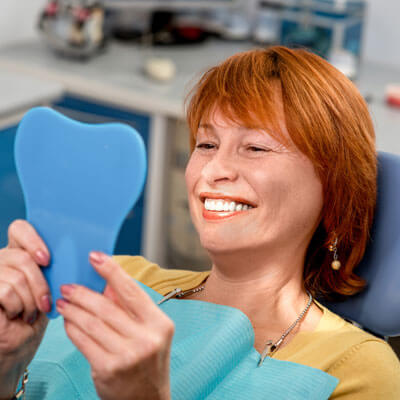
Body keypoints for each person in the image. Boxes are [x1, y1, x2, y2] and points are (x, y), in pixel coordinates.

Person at [0, 46, 399, 399]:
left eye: (255, 147)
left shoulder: (357, 371)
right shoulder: (110, 280)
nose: (214, 170)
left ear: (333, 187)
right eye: (206, 144)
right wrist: (7, 368)